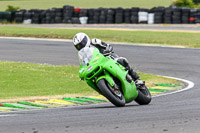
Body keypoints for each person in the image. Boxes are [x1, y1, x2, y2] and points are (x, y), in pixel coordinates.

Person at [73, 32, 144, 86]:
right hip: (96, 64)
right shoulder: (82, 54)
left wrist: (106, 50)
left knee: (122, 60)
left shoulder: (94, 41)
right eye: (78, 46)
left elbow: (107, 46)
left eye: (81, 43)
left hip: (108, 58)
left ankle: (136, 79)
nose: (80, 46)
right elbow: (83, 64)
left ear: (86, 39)